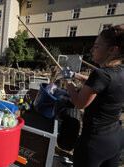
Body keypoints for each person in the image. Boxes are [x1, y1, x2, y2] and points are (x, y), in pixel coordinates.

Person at [60, 25, 124, 167]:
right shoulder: (120, 71)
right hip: (116, 138)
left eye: (96, 46)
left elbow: (79, 103)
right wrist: (75, 75)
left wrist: (68, 80)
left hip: (95, 143)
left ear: (113, 50)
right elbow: (100, 84)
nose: (91, 50)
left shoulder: (100, 74)